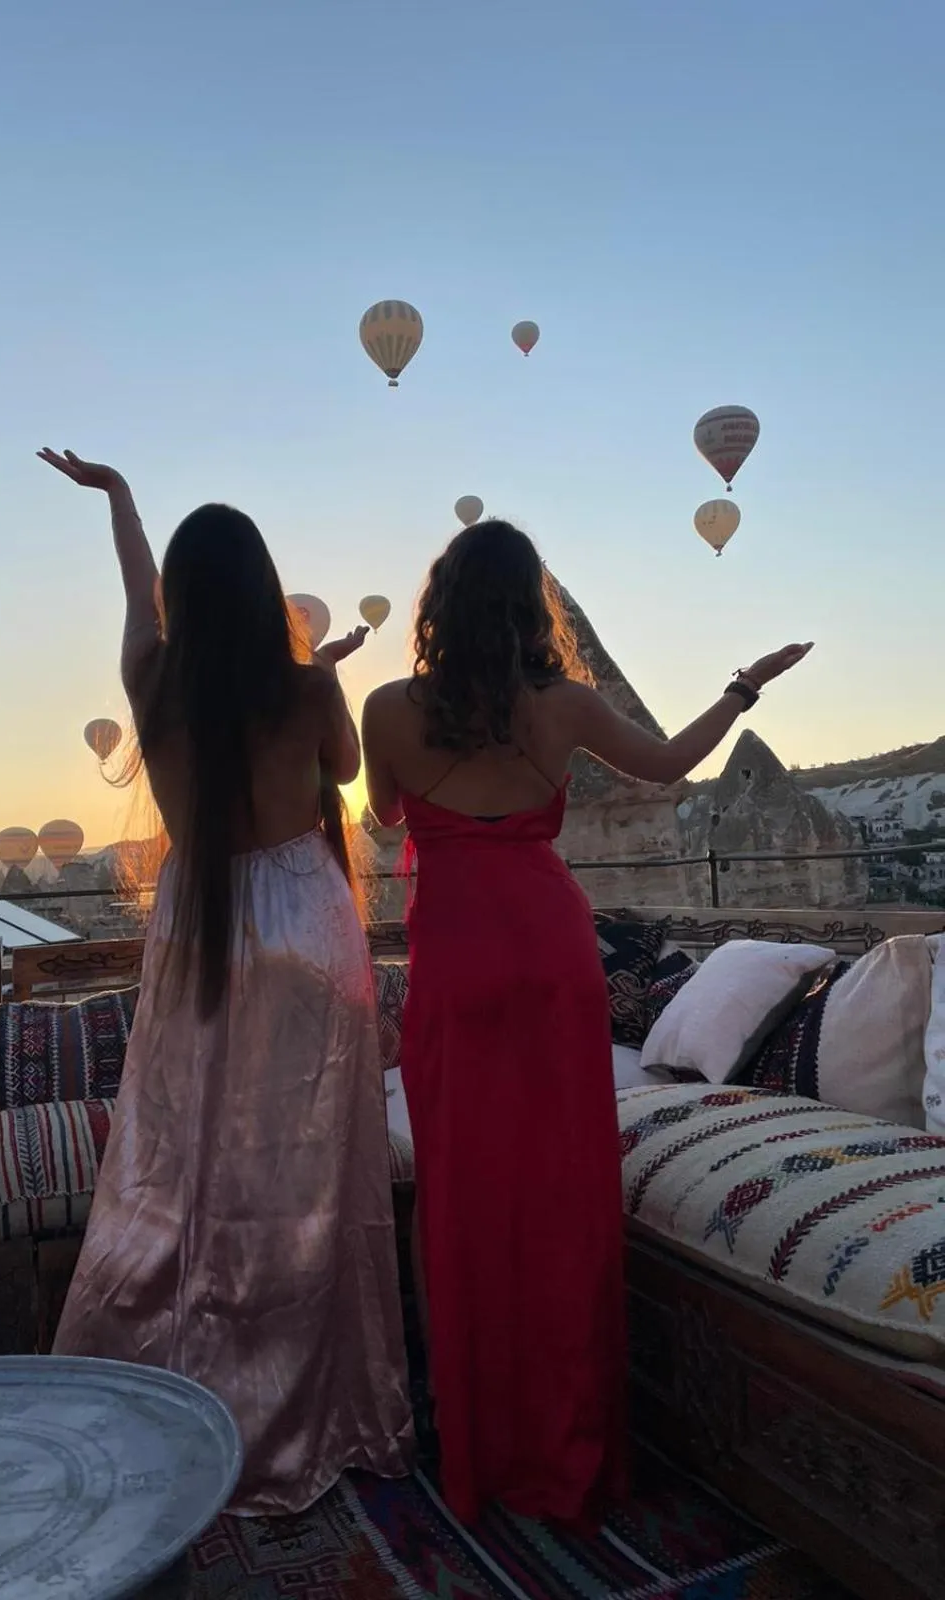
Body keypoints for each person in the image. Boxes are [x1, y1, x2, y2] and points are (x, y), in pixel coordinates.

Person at [361, 518, 811, 1528]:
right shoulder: (564, 703)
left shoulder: (387, 707)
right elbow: (672, 764)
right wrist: (743, 688)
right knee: (561, 1190)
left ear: (439, 604)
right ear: (532, 606)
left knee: (462, 1194)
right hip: (552, 947)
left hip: (459, 958)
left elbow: (386, 815)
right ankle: (570, 1439)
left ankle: (478, 1438)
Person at [38, 448, 413, 1515]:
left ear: (184, 598)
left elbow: (136, 592)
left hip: (203, 924)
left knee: (192, 1154)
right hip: (308, 923)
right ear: (265, 591)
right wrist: (327, 673)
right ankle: (306, 1401)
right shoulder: (305, 689)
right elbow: (347, 771)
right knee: (315, 1172)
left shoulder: (153, 681)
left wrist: (119, 500)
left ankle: (187, 1388)